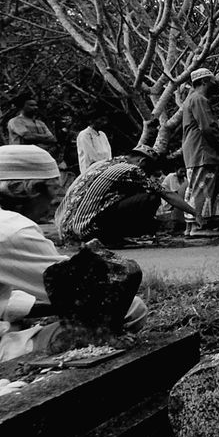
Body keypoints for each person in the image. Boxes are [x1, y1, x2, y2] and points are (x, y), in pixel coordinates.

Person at [0, 146, 146, 361]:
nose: (52, 206)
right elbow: (83, 290)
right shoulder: (13, 230)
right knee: (132, 309)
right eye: (52, 193)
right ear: (30, 189)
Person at [56, 146, 202, 246]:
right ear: (142, 162)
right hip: (84, 230)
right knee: (151, 197)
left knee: (137, 191)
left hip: (66, 229)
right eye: (148, 170)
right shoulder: (132, 169)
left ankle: (110, 236)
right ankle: (111, 238)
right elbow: (167, 194)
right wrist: (195, 213)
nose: (147, 174)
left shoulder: (104, 163)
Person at [181, 68, 219, 236]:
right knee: (203, 188)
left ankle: (192, 227)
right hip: (203, 151)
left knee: (195, 187)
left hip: (196, 152)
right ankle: (199, 227)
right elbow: (207, 127)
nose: (216, 83)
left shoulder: (191, 99)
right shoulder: (198, 99)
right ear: (204, 81)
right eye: (213, 80)